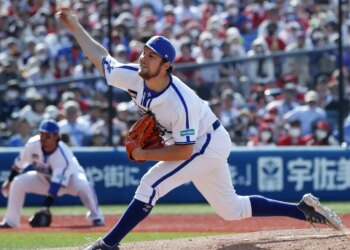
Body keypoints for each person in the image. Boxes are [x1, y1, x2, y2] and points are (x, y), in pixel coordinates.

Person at [56, 9, 344, 250]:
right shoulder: (134, 75)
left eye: (151, 56)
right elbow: (103, 59)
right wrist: (75, 26)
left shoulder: (177, 103)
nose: (143, 58)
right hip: (204, 139)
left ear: (166, 65)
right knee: (232, 210)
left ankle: (108, 244)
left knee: (150, 185)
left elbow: (185, 150)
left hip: (206, 143)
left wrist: (145, 153)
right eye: (144, 52)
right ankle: (304, 210)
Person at [0, 119, 104, 228]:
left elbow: (56, 185)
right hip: (43, 180)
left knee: (84, 185)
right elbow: (19, 164)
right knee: (18, 182)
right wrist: (9, 180)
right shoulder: (32, 144)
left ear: (56, 137)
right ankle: (11, 221)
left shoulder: (63, 155)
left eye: (47, 136)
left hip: (70, 181)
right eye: (42, 135)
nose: (43, 139)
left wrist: (46, 207)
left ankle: (96, 217)